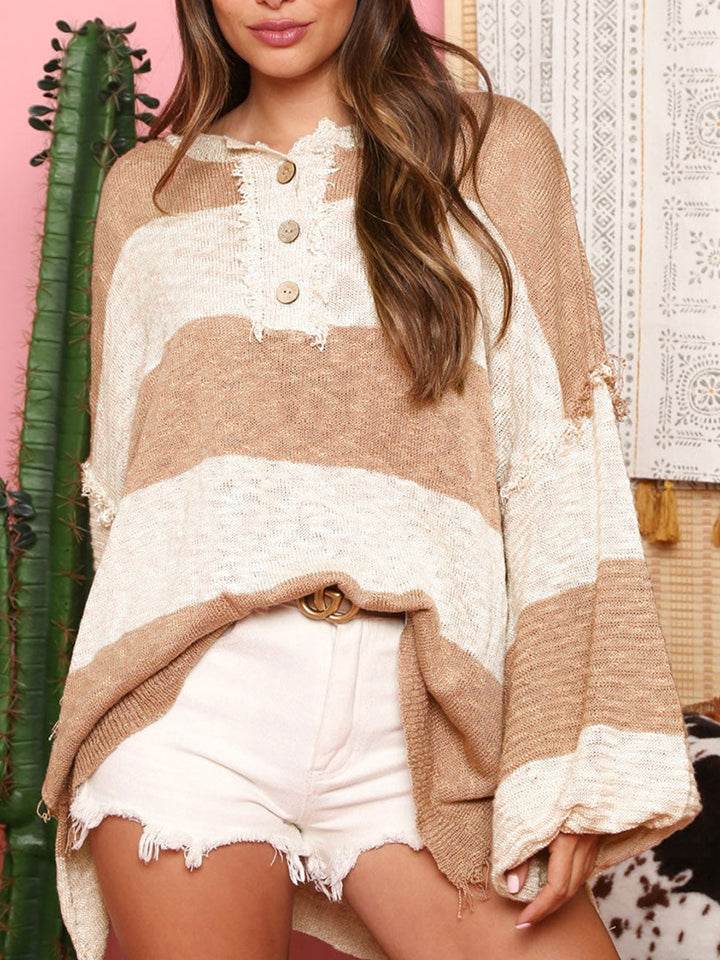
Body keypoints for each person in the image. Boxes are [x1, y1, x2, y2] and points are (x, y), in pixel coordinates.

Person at [38, 1, 702, 959]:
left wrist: (568, 757)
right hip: (188, 715)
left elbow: (562, 465)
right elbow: (127, 496)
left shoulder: (491, 155)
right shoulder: (145, 191)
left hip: (426, 712)